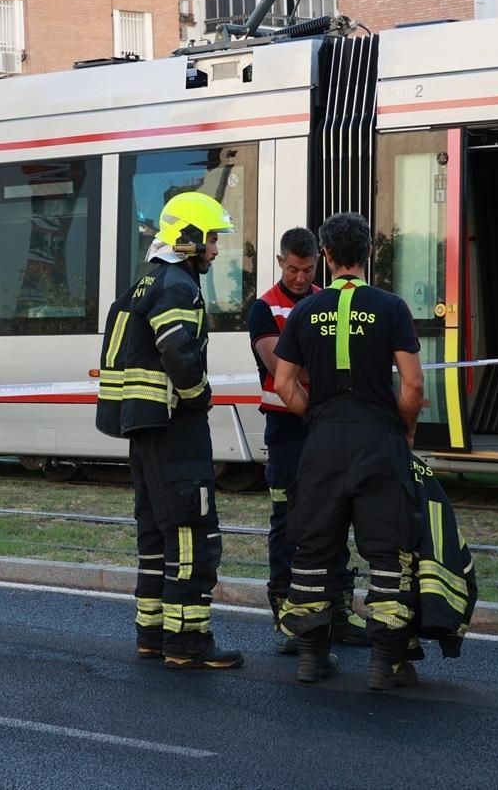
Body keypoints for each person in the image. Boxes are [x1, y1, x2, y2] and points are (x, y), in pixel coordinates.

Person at [272, 212, 425, 689]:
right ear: (368, 253)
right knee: (388, 554)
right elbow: (413, 385)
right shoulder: (391, 307)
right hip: (377, 442)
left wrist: (315, 417)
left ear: (326, 256)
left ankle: (311, 658)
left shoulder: (304, 311)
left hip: (322, 445)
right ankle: (385, 664)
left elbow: (283, 383)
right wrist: (404, 429)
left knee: (313, 551)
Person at [96, 191, 244, 670]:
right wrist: (201, 395)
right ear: (189, 239)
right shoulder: (179, 285)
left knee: (156, 537)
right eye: (212, 239)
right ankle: (188, 642)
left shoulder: (143, 283)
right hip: (176, 429)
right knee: (192, 536)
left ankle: (153, 634)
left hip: (146, 432)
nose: (215, 250)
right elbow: (178, 350)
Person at [247, 227, 366, 652]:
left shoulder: (326, 300)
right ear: (281, 262)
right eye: (293, 269)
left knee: (335, 518)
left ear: (320, 262)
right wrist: (325, 369)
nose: (300, 278)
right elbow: (282, 367)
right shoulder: (264, 308)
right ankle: (288, 615)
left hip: (325, 430)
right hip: (286, 433)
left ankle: (339, 611)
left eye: (309, 270)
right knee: (288, 522)